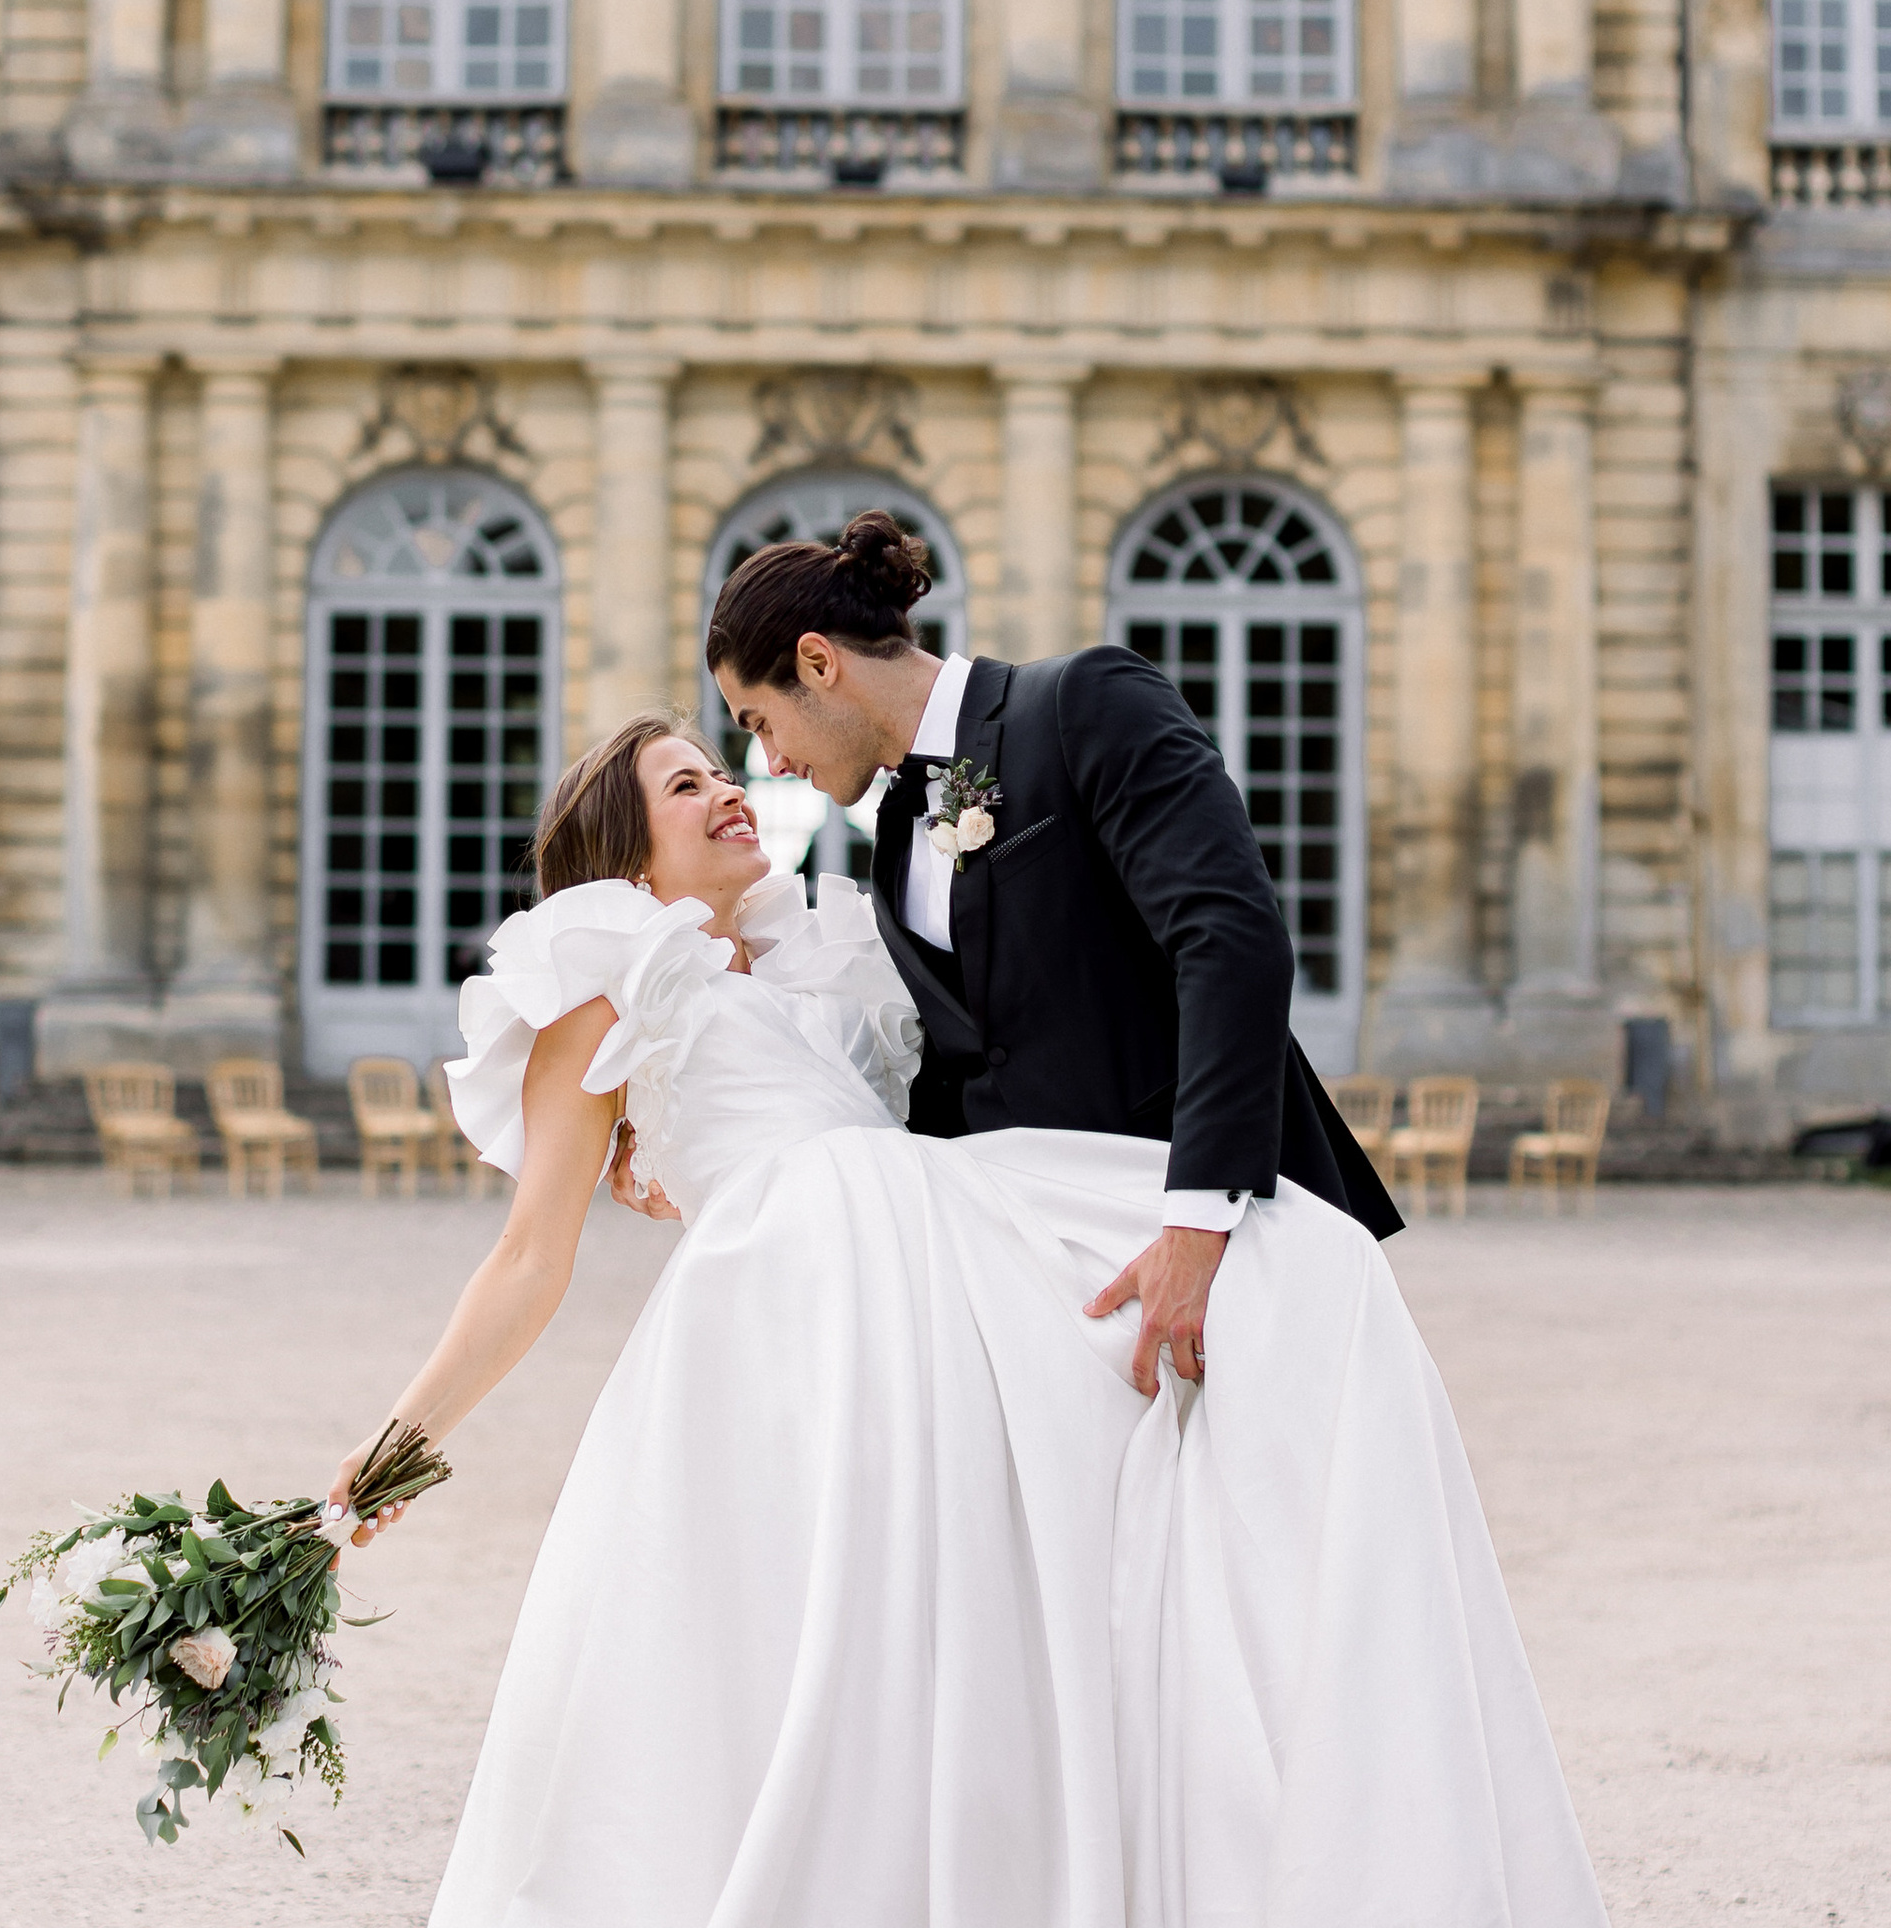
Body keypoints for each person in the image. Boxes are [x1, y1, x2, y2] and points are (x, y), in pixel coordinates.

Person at [330, 713, 1607, 1928]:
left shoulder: (824, 960)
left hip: (935, 1283)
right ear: (620, 850)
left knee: (1269, 1309)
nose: (729, 788)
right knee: (797, 1652)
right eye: (683, 785)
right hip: (788, 1326)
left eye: (723, 768)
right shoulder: (602, 982)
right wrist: (397, 1444)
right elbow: (528, 1254)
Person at [699, 509, 1399, 1396]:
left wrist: (1197, 1223)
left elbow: (1230, 940)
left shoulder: (1084, 701)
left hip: (1216, 1243)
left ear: (817, 662)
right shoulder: (898, 836)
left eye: (759, 723)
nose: (773, 760)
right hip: (1048, 1292)